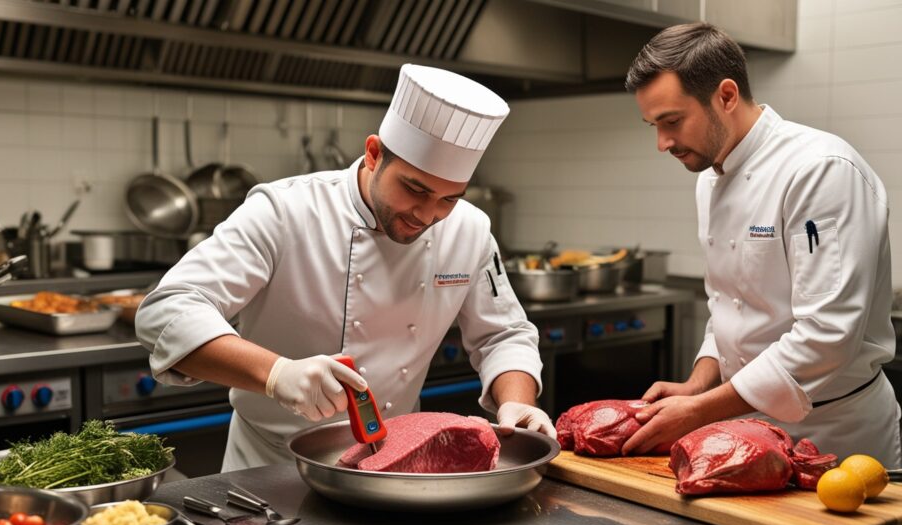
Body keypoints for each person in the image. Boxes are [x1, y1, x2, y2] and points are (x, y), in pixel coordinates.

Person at [136, 64, 556, 472]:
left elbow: (503, 333)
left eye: (448, 198)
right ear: (374, 154)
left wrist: (517, 401)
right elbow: (167, 311)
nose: (427, 215)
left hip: (400, 462)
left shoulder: (470, 228)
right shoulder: (286, 211)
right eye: (414, 189)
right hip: (271, 467)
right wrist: (276, 374)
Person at [621, 22, 901, 468]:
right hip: (745, 428)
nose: (662, 143)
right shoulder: (710, 178)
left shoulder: (820, 170)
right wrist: (697, 384)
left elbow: (826, 336)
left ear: (726, 96)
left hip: (836, 435)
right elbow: (731, 309)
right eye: (653, 125)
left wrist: (699, 410)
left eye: (672, 121)